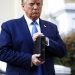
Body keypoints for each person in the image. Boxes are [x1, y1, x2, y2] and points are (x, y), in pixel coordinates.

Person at [0, 0, 67, 75]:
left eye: (38, 4)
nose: (35, 7)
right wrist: (30, 59)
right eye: (31, 4)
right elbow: (2, 52)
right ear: (23, 6)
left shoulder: (51, 27)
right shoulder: (9, 26)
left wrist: (45, 40)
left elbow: (62, 51)